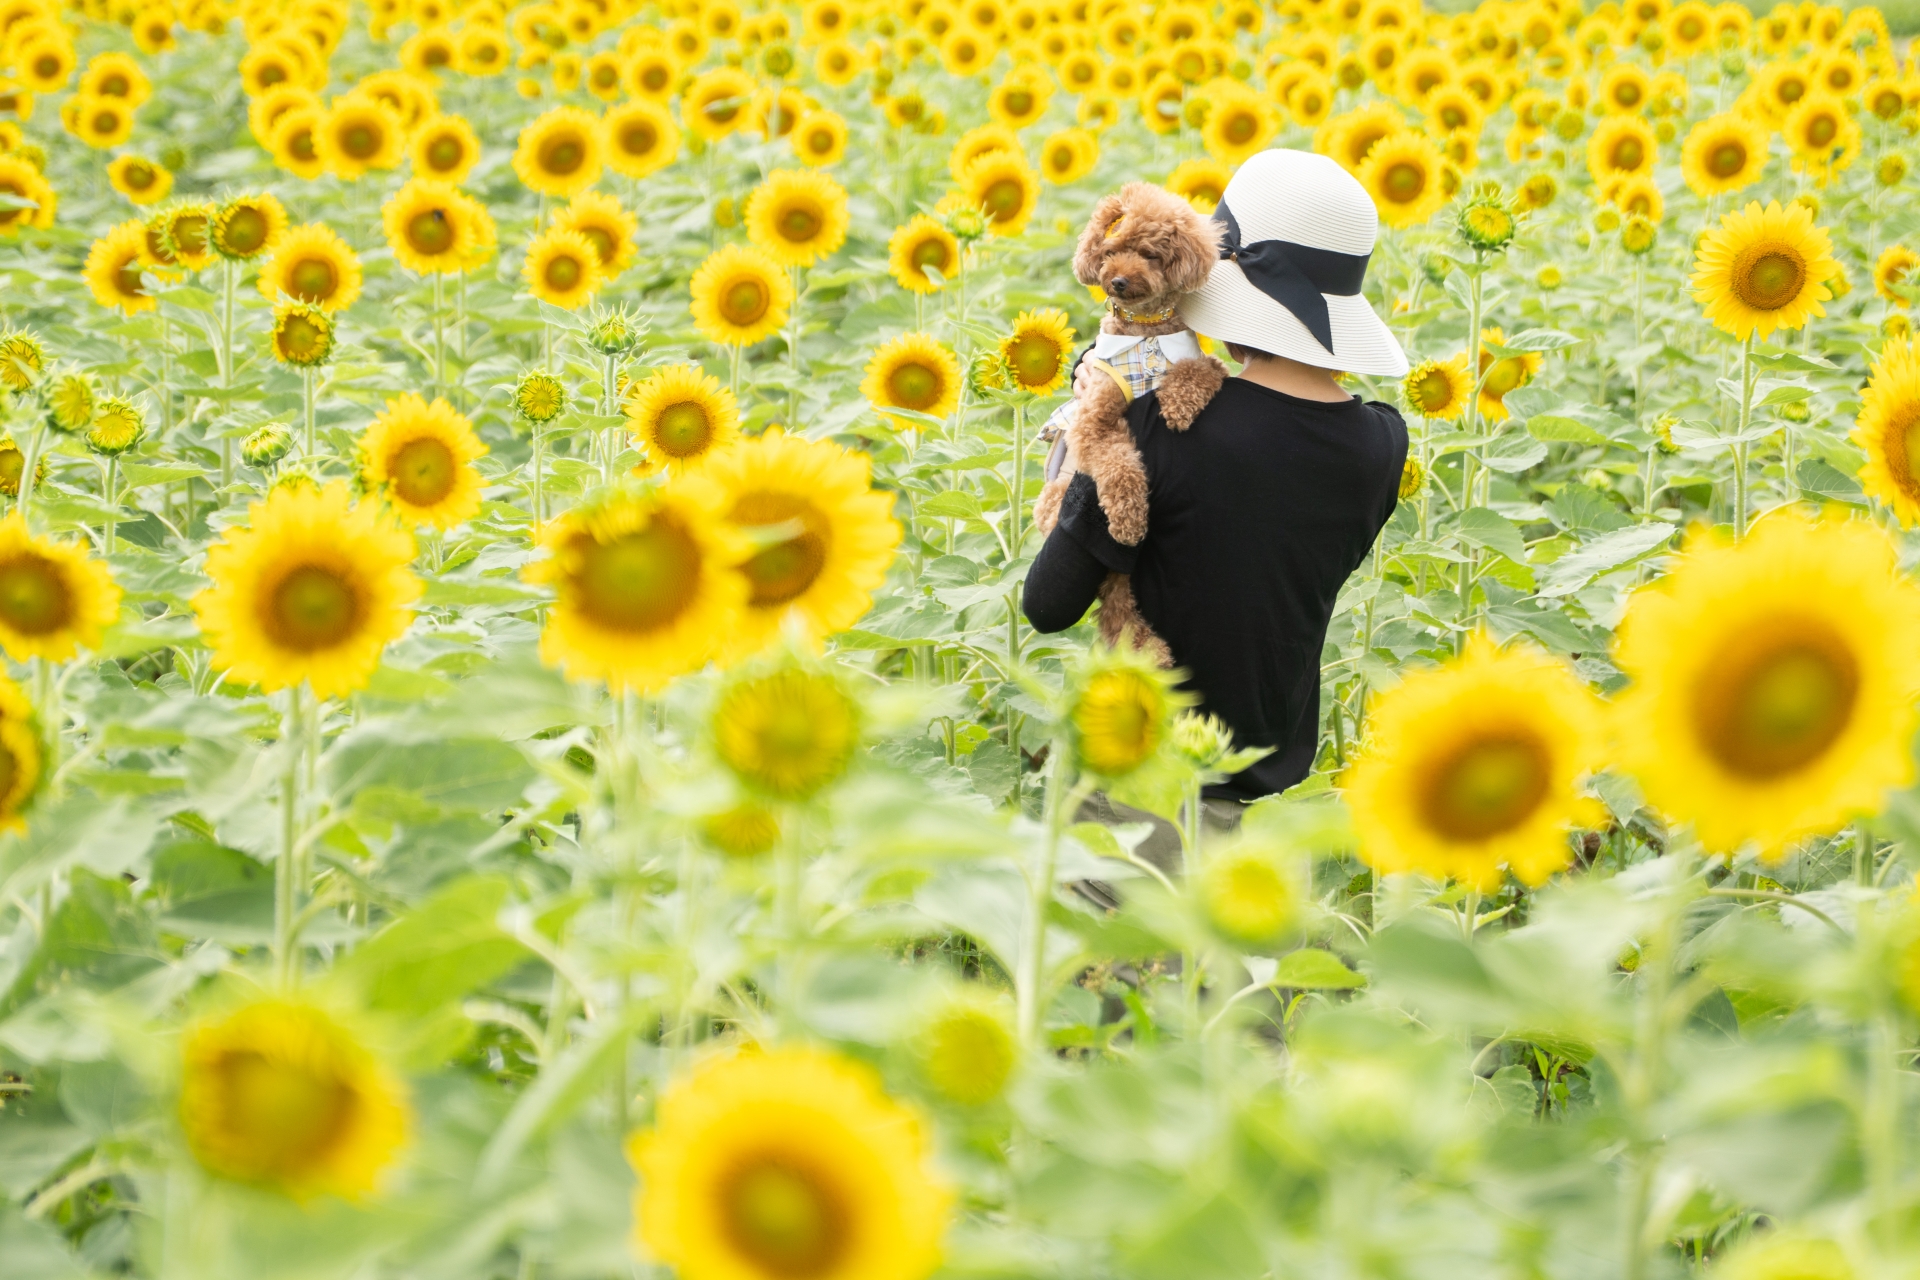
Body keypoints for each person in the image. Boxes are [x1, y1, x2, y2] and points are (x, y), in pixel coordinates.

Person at [1023, 149, 1410, 858]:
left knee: (1123, 968)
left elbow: (1047, 604)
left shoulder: (1167, 431)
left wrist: (1092, 429)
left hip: (1136, 805)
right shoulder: (1382, 444)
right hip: (1257, 825)